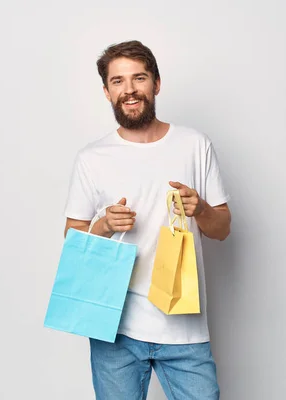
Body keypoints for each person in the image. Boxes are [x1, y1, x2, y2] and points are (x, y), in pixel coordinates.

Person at [63, 40, 231, 400]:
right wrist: (104, 225)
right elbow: (72, 240)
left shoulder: (194, 144)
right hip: (115, 328)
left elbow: (222, 229)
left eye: (139, 78)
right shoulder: (92, 158)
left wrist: (200, 208)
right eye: (118, 81)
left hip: (184, 329)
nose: (129, 90)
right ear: (107, 92)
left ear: (156, 83)